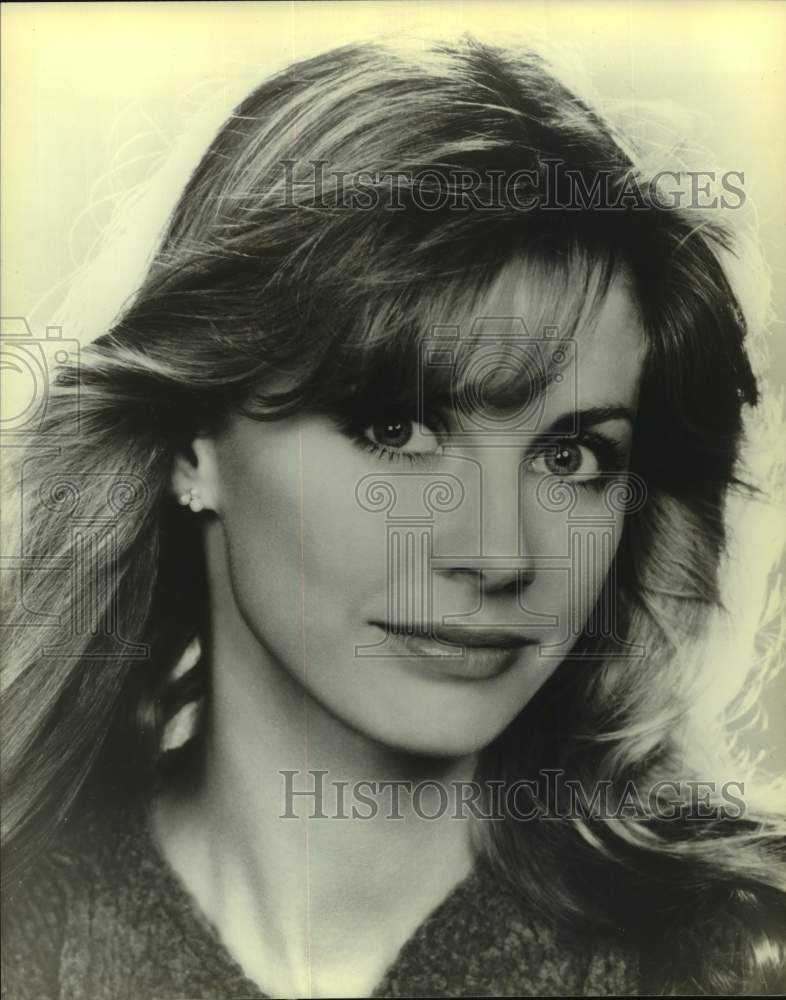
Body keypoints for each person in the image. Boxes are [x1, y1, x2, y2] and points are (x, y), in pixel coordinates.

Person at [2, 32, 785, 998]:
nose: (499, 554)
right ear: (190, 445)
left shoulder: (743, 955)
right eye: (399, 429)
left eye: (571, 456)